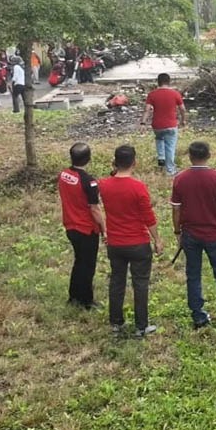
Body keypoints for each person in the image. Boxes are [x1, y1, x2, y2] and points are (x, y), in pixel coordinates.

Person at [171, 141, 216, 330]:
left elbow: (176, 210)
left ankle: (199, 317)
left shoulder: (180, 179)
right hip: (214, 234)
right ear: (209, 155)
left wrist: (177, 231)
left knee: (193, 275)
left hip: (190, 234)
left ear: (190, 156)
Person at [100, 145, 161, 337]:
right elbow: (148, 218)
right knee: (140, 283)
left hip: (115, 243)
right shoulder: (138, 187)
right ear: (134, 162)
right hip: (138, 243)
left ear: (114, 162)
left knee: (117, 281)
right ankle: (141, 326)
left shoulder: (103, 185)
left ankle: (116, 322)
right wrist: (157, 239)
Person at [58, 142, 105, 310]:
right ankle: (86, 300)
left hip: (70, 225)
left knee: (79, 262)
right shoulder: (89, 182)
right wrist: (104, 229)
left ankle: (73, 296)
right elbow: (95, 209)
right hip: (87, 229)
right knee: (87, 265)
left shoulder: (64, 175)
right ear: (89, 159)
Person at [141, 72, 186, 176]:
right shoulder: (175, 94)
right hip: (171, 125)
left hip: (157, 125)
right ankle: (170, 170)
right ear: (169, 82)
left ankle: (161, 158)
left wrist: (143, 123)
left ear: (158, 82)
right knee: (170, 146)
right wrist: (183, 120)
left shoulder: (152, 94)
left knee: (159, 138)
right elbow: (182, 109)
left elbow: (147, 109)